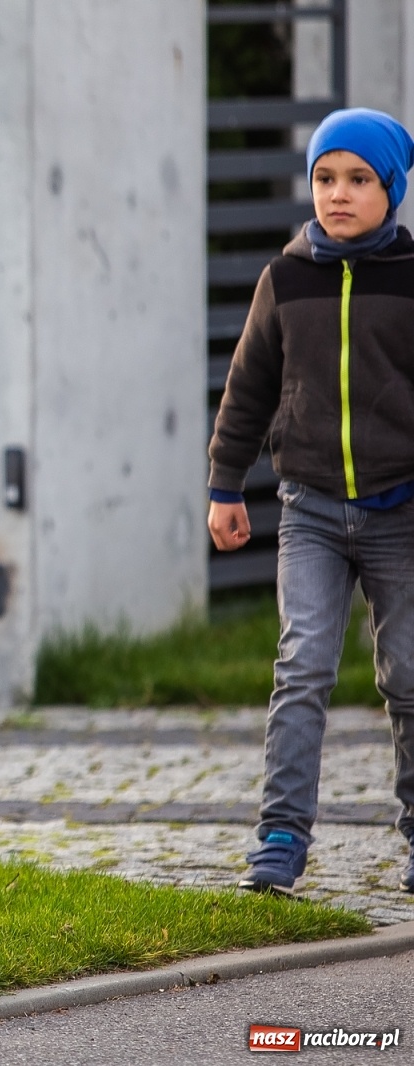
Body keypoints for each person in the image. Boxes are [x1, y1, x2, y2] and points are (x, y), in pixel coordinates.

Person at [209, 108, 414, 897]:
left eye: (359, 179)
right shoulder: (286, 278)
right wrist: (225, 485)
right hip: (312, 511)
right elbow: (249, 387)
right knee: (301, 667)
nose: (338, 194)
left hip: (403, 512)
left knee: (409, 675)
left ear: (390, 188)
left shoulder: (411, 277)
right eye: (326, 178)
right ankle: (282, 837)